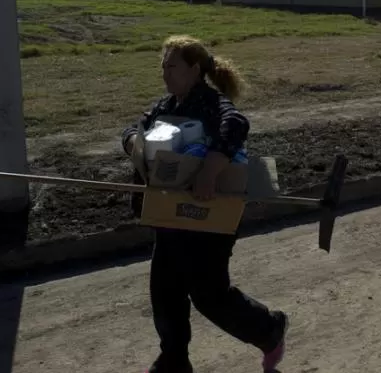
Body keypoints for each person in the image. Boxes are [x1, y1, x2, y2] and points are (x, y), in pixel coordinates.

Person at [121, 34, 288, 373]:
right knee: (165, 292)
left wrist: (210, 170)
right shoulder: (165, 107)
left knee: (209, 295)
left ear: (194, 70)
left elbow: (236, 126)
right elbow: (135, 128)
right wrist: (133, 142)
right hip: (170, 215)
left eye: (172, 66)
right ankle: (174, 361)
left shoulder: (212, 104)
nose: (165, 74)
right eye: (163, 67)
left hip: (210, 218)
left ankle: (268, 329)